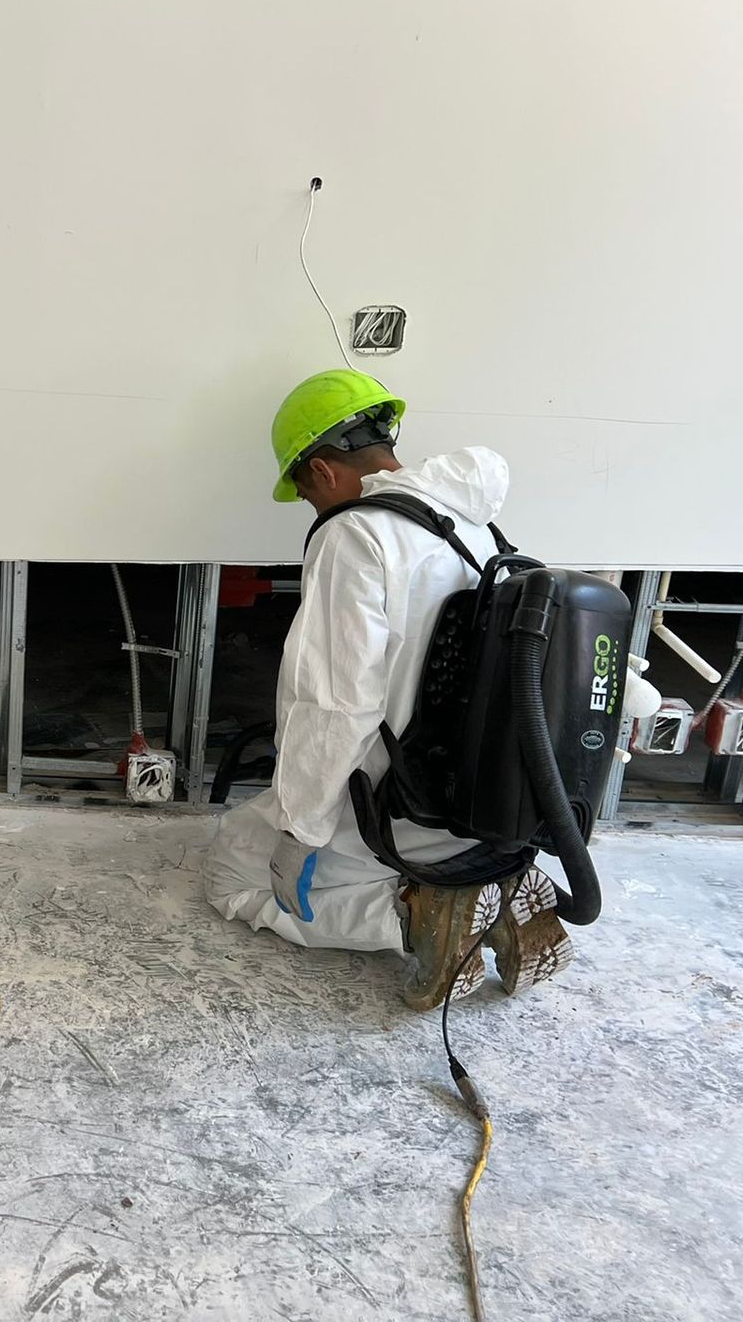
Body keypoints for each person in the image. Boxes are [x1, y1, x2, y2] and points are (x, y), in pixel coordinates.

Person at [201, 370, 573, 1008]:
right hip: (480, 801)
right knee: (282, 845)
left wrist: (301, 829)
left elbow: (336, 703)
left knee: (230, 872)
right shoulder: (472, 525)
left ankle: (415, 914)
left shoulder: (354, 534)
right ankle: (500, 893)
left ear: (322, 471)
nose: (313, 508)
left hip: (394, 802)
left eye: (305, 493)